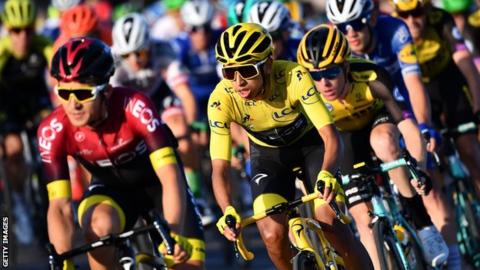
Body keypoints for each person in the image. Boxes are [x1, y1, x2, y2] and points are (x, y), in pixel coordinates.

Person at [209, 22, 373, 270]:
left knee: (329, 222)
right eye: (230, 72)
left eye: (247, 70)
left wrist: (327, 173)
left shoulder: (293, 76)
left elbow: (330, 136)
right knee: (272, 236)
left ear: (268, 64)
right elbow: (219, 168)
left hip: (311, 147)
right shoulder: (221, 100)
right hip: (270, 157)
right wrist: (228, 209)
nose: (239, 81)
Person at [38, 37, 205, 270]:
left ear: (106, 91)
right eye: (65, 94)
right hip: (111, 192)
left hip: (159, 186)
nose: (73, 104)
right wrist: (64, 263)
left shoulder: (135, 106)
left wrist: (175, 232)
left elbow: (169, 175)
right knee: (96, 228)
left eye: (83, 94)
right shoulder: (53, 130)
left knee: (187, 265)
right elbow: (60, 206)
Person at [297, 24, 449, 269]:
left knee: (384, 142)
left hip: (377, 123)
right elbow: (308, 147)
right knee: (361, 219)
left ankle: (423, 224)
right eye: (315, 75)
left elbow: (406, 124)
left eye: (331, 72)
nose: (323, 82)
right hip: (344, 137)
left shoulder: (371, 76)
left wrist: (419, 168)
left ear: (346, 66)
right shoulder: (307, 96)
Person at [325, 0, 436, 163]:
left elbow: (413, 82)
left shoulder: (395, 30)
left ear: (372, 18)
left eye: (356, 24)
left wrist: (424, 125)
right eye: (342, 28)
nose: (351, 34)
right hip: (368, 106)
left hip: (400, 93)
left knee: (422, 153)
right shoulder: (334, 47)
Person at [0, 0, 53, 245]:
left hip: (37, 103)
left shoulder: (43, 46)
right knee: (14, 150)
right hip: (8, 108)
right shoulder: (2, 52)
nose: (22, 37)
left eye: (28, 30)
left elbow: (60, 73)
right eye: (15, 31)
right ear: (7, 29)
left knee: (52, 141)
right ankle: (20, 202)